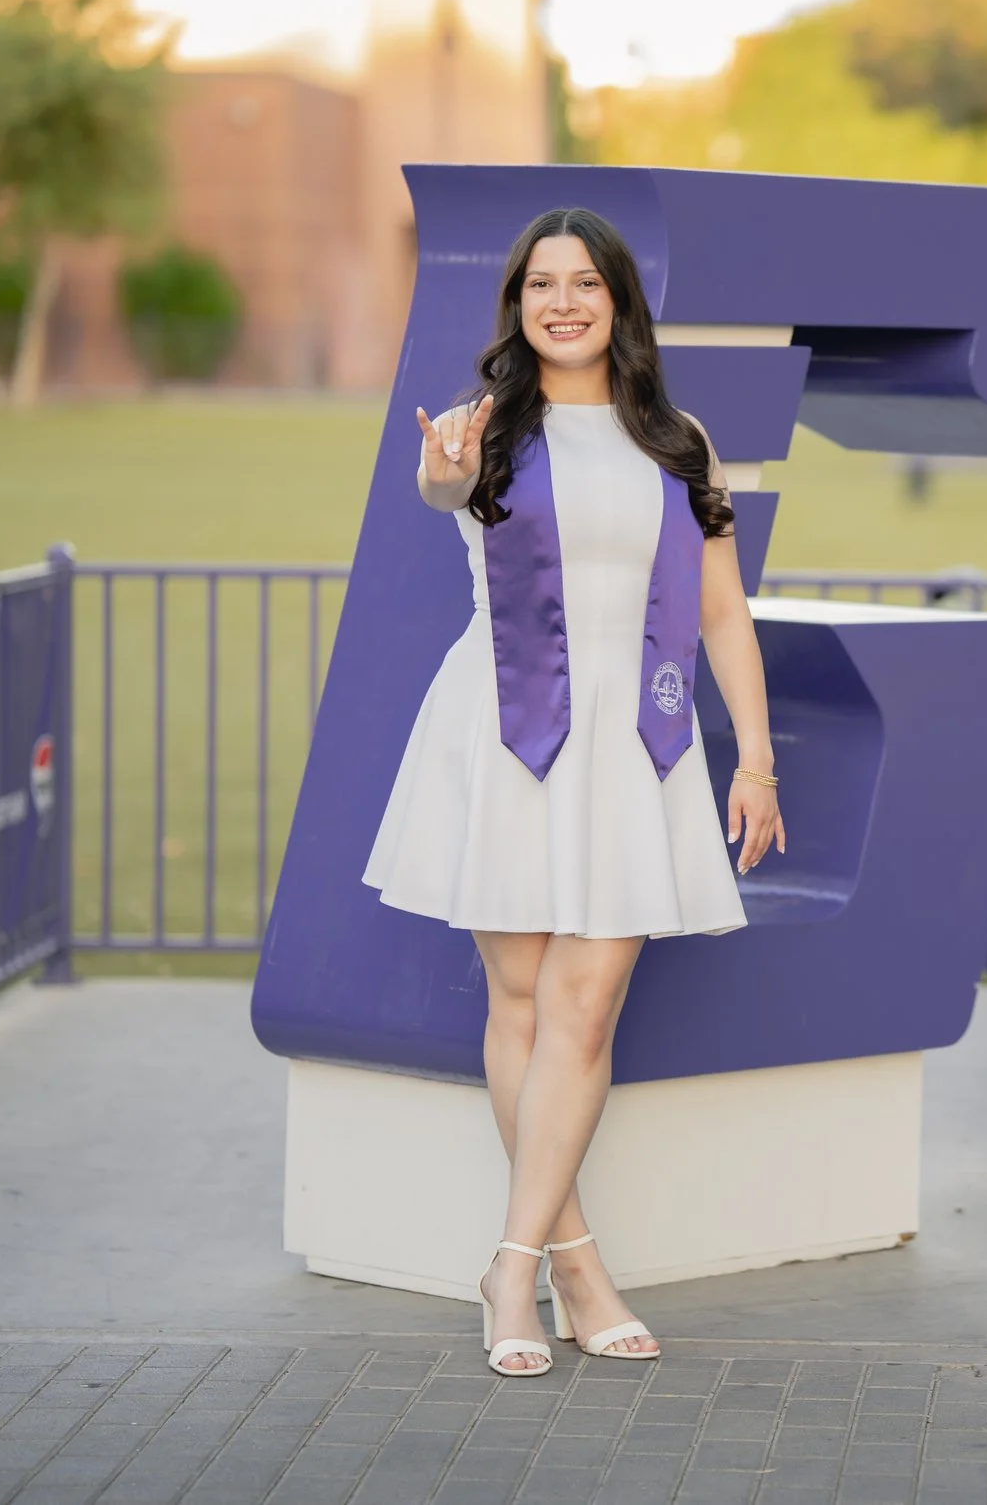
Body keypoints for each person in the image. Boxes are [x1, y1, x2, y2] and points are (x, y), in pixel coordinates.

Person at [362, 206, 785, 1377]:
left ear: (618, 302)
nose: (562, 301)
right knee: (520, 998)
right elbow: (440, 490)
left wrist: (753, 757)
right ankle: (573, 1261)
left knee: (584, 1000)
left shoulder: (677, 437)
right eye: (541, 283)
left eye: (584, 282)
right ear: (518, 302)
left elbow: (720, 610)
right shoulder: (477, 427)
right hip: (506, 725)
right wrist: (444, 469)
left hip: (632, 736)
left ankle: (513, 1261)